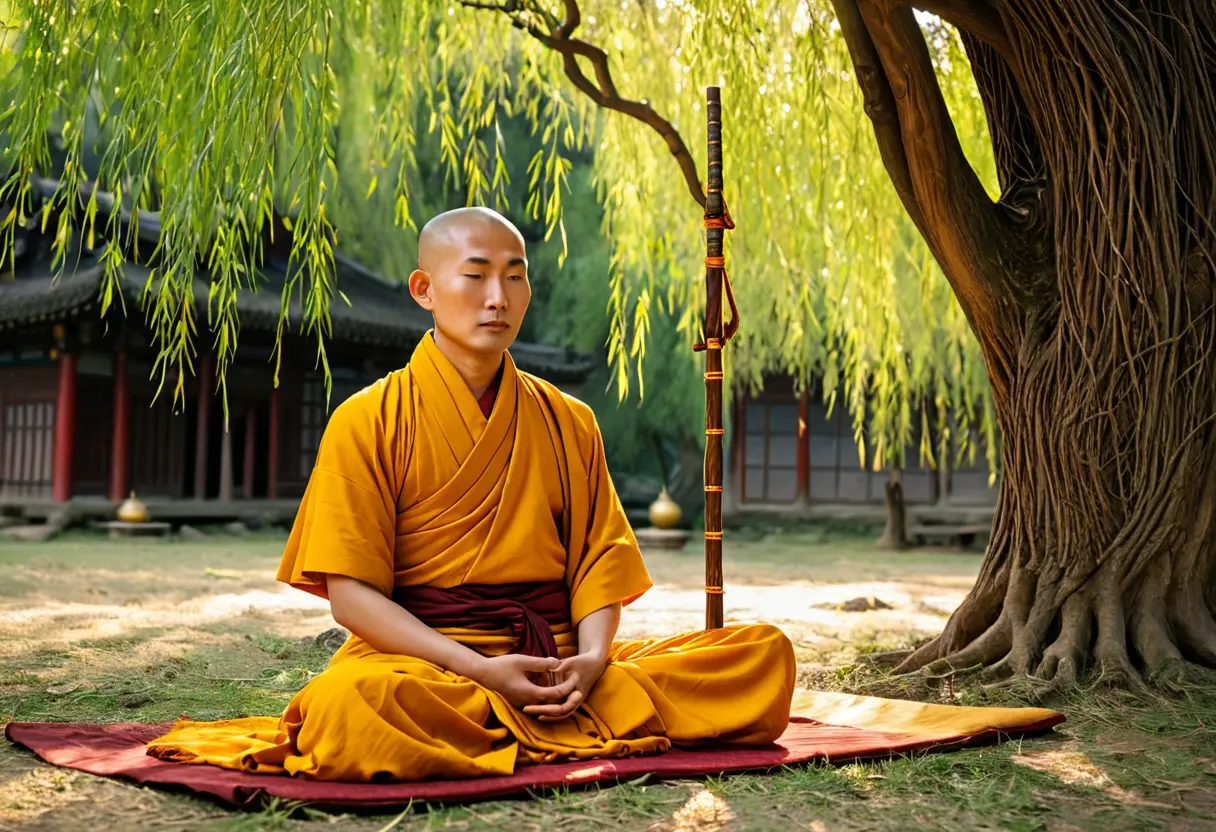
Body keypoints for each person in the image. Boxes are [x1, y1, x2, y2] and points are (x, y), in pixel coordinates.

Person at [146, 207, 796, 782]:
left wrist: (594, 659)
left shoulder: (568, 419)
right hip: (422, 666)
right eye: (476, 275)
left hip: (556, 664)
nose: (498, 298)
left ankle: (529, 714)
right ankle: (518, 713)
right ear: (424, 289)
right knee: (352, 708)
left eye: (515, 277)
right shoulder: (366, 419)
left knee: (761, 655)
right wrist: (480, 669)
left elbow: (599, 563)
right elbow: (351, 596)